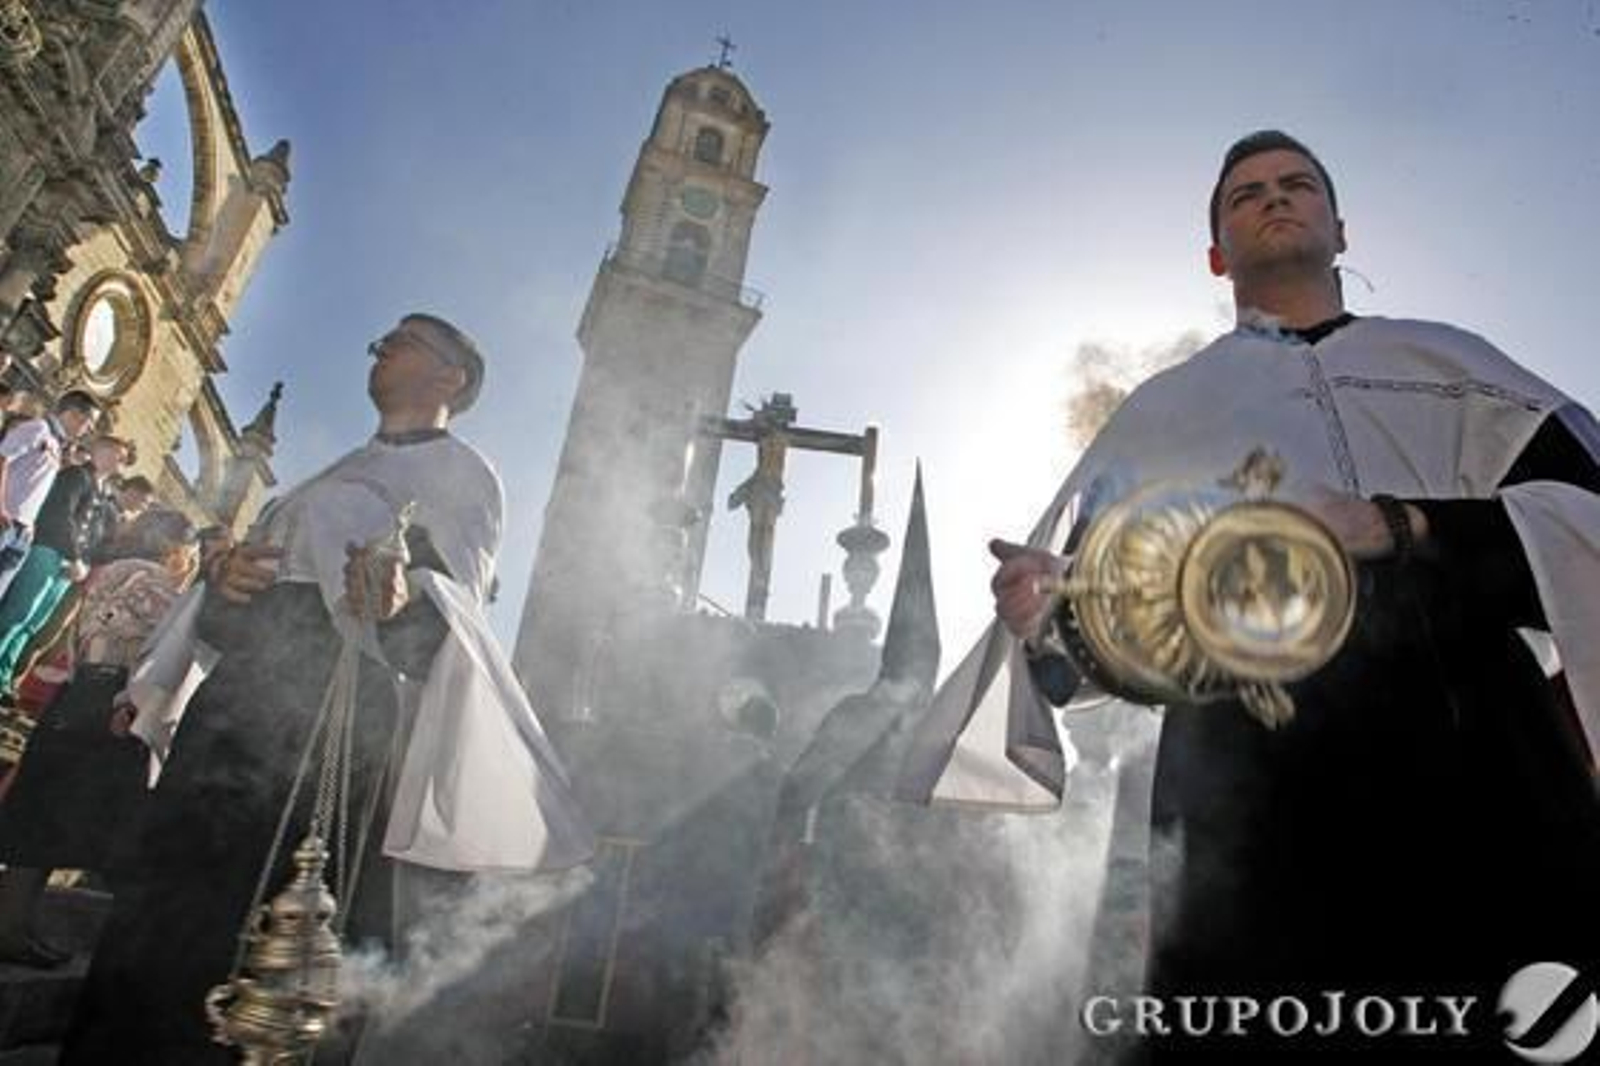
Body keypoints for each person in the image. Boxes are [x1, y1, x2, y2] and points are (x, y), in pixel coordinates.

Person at [899, 131, 1600, 1054]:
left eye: (1297, 184)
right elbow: (1107, 644)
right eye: (1247, 194)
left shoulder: (1452, 365)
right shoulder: (1164, 412)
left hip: (1483, 771)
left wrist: (1400, 523)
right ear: (1215, 255)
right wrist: (1055, 621)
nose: (1274, 197)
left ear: (1341, 230)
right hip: (1249, 799)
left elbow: (1585, 525)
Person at [60, 313, 593, 1064]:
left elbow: (446, 625)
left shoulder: (464, 476)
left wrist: (398, 599)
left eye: (402, 341)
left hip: (333, 723)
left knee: (267, 940)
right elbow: (230, 617)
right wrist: (225, 582)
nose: (381, 348)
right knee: (160, 917)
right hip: (237, 708)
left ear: (451, 377)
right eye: (382, 340)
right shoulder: (330, 475)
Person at [0, 509, 198, 967]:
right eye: (190, 552)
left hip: (76, 693)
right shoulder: (158, 584)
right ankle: (18, 929)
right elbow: (153, 651)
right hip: (112, 701)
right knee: (87, 816)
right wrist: (131, 702)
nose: (190, 561)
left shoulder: (110, 570)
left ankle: (12, 923)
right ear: (174, 548)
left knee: (40, 815)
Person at [0, 434, 133, 698]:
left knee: (33, 623)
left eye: (122, 458)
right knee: (17, 614)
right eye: (117, 454)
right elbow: (60, 514)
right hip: (49, 549)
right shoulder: (76, 475)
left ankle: (3, 674)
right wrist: (75, 557)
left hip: (70, 565)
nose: (120, 462)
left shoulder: (103, 492)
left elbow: (95, 534)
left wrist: (84, 562)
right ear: (100, 450)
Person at [0, 389, 102, 602]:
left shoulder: (57, 445)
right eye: (89, 422)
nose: (90, 430)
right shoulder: (39, 428)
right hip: (5, 520)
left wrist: (29, 523)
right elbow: (2, 457)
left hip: (21, 532)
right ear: (74, 414)